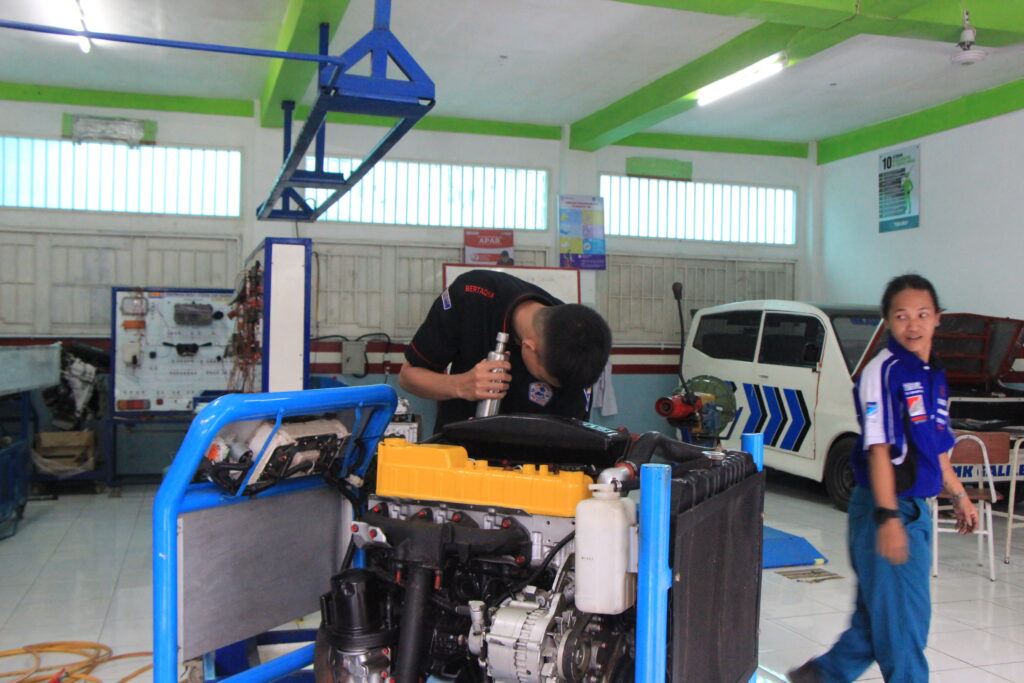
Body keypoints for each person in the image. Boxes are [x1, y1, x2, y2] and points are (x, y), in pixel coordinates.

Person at [789, 274, 978, 683]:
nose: (913, 324)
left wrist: (958, 494)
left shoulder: (933, 373)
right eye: (902, 315)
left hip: (917, 510)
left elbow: (936, 444)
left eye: (922, 314)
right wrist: (888, 518)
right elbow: (878, 449)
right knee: (903, 627)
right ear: (888, 321)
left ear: (937, 318)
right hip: (887, 507)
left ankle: (820, 677)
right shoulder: (882, 371)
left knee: (884, 618)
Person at [398, 269, 612, 434]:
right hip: (459, 458)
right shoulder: (472, 295)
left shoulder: (575, 344)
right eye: (545, 379)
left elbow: (572, 437)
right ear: (528, 348)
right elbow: (408, 377)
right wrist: (461, 385)